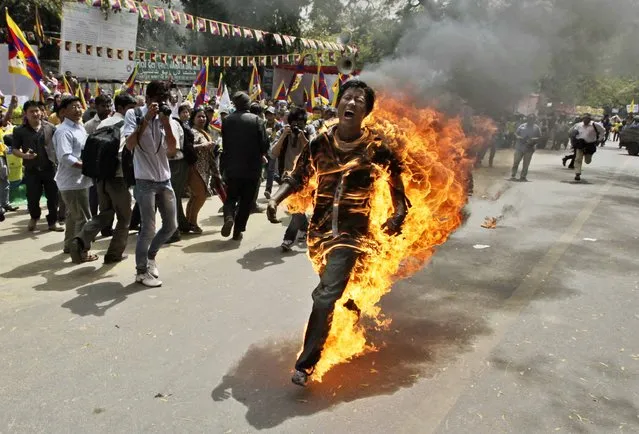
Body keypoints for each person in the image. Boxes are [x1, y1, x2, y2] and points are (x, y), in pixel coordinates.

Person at [266, 79, 408, 387]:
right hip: (319, 235)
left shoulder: (377, 148)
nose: (352, 103)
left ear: (366, 112)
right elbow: (297, 177)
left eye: (359, 100)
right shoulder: (320, 143)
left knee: (325, 294)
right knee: (342, 291)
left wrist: (397, 216)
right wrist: (274, 200)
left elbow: (398, 188)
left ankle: (306, 364)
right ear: (339, 104)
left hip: (353, 235)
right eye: (348, 97)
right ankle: (350, 316)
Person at [69, 93, 137, 264]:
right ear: (121, 108)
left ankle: (80, 239)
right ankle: (114, 254)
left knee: (106, 213)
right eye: (130, 109)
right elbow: (124, 152)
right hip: (118, 178)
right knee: (124, 217)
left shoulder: (105, 123)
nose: (133, 112)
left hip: (101, 177)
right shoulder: (126, 125)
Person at [123, 80, 179, 287]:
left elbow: (172, 151)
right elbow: (129, 145)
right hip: (144, 179)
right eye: (157, 100)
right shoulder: (134, 115)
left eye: (164, 100)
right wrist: (146, 119)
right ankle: (140, 272)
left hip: (165, 179)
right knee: (148, 228)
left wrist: (165, 123)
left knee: (171, 225)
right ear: (147, 99)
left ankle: (150, 257)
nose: (161, 104)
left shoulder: (168, 117)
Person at [219, 92, 269, 241]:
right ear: (248, 104)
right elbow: (264, 146)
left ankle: (229, 217)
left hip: (232, 167)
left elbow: (225, 144)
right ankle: (237, 231)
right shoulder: (257, 120)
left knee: (231, 198)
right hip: (252, 169)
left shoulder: (227, 120)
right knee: (246, 201)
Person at [11, 100, 63, 232]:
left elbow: (58, 146)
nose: (35, 113)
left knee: (53, 197)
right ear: (25, 114)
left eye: (37, 110)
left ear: (41, 112)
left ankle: (53, 221)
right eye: (31, 111)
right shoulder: (19, 131)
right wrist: (24, 156)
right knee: (32, 197)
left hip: (50, 168)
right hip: (31, 170)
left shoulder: (50, 128)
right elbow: (15, 149)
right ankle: (34, 217)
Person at [270, 107, 316, 251]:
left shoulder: (309, 131)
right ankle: (305, 228)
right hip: (286, 176)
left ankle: (288, 238)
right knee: (294, 208)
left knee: (297, 208)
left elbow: (315, 151)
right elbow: (273, 154)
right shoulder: (283, 132)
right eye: (295, 122)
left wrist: (303, 138)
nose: (297, 126)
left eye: (301, 122)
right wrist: (284, 136)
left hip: (305, 176)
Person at [53, 96, 94, 256]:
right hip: (72, 182)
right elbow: (66, 157)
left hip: (80, 181)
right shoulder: (64, 131)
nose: (78, 110)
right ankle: (80, 253)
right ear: (63, 112)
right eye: (74, 107)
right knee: (83, 219)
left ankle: (69, 246)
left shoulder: (80, 127)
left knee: (73, 216)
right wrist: (86, 166)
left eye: (79, 106)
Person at [185, 107, 219, 234]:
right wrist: (202, 146)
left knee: (196, 196)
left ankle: (189, 221)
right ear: (193, 118)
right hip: (195, 167)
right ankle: (192, 223)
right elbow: (187, 148)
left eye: (204, 116)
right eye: (199, 116)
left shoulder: (205, 132)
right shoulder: (191, 132)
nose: (202, 119)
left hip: (204, 168)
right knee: (201, 195)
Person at [569, 113, 605, 182]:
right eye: (584, 119)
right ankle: (577, 173)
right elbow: (571, 132)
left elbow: (602, 131)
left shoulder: (595, 125)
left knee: (587, 161)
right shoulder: (578, 125)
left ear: (590, 119)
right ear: (583, 119)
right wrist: (573, 136)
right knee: (578, 159)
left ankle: (588, 157)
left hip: (590, 144)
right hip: (580, 144)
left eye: (587, 119)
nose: (585, 120)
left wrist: (599, 139)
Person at [510, 114, 541, 182]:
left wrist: (532, 140)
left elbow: (539, 137)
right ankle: (513, 175)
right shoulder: (522, 126)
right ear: (527, 119)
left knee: (526, 164)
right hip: (519, 147)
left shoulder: (536, 128)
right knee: (516, 162)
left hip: (529, 148)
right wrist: (518, 137)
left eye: (532, 119)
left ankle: (523, 177)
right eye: (529, 118)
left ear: (534, 120)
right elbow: (516, 133)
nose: (530, 120)